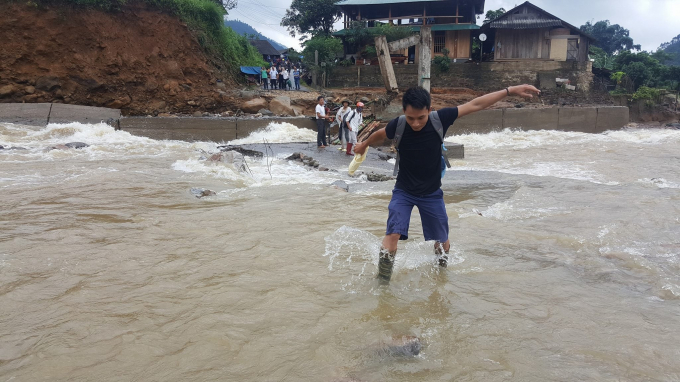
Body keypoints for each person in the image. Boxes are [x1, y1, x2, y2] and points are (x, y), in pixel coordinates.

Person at [353, 85, 540, 283]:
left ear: (430, 110)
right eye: (411, 118)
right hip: (404, 191)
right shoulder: (398, 125)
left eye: (421, 117)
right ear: (404, 113)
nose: (415, 123)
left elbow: (476, 104)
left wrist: (509, 91)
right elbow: (381, 134)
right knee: (392, 236)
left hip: (432, 193)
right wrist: (363, 145)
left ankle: (441, 277)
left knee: (442, 242)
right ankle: (382, 284)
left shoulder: (439, 119)